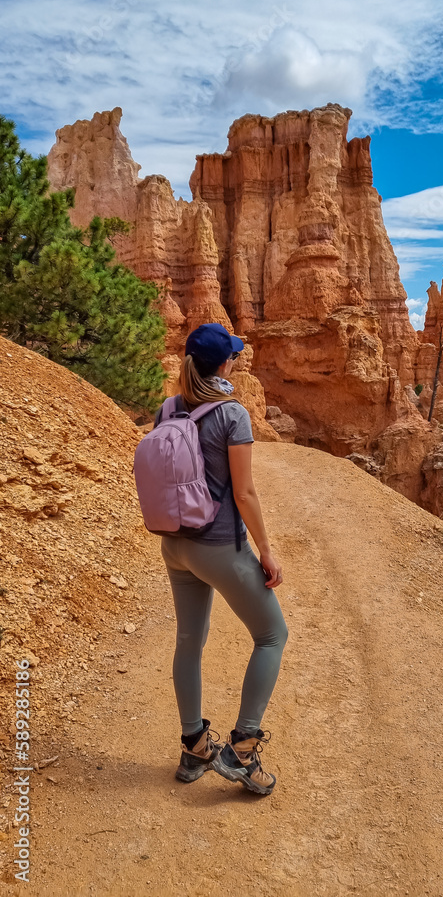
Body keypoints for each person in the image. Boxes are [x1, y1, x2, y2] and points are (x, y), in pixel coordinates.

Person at [156, 323, 289, 796]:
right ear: (224, 364)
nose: (235, 359)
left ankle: (194, 749)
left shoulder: (168, 407)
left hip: (175, 545)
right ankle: (243, 751)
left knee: (189, 640)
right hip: (219, 547)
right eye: (232, 355)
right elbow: (245, 492)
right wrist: (267, 550)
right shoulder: (233, 413)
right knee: (272, 635)